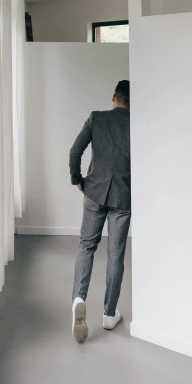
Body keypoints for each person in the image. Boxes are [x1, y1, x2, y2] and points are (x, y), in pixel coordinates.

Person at [69, 80, 131, 343]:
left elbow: (75, 151)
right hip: (122, 196)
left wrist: (78, 179)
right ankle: (108, 314)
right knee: (115, 255)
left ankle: (79, 299)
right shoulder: (138, 124)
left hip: (94, 191)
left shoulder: (96, 118)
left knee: (86, 246)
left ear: (113, 97)